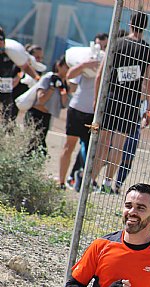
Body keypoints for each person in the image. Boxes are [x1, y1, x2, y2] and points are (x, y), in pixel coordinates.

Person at [91, 12, 150, 193]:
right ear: (145, 26)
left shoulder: (116, 43)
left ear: (130, 23)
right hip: (131, 102)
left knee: (103, 143)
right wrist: (149, 109)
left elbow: (100, 74)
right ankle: (107, 183)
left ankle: (91, 180)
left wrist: (96, 99)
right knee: (119, 145)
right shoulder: (149, 51)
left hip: (111, 97)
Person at [59, 33, 108, 189]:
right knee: (69, 145)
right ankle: (61, 181)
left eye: (105, 46)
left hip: (95, 114)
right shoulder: (85, 60)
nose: (101, 49)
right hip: (77, 109)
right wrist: (84, 66)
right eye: (100, 45)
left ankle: (80, 179)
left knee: (89, 148)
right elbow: (70, 77)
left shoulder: (110, 64)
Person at [25, 55, 69, 157]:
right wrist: (52, 88)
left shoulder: (64, 84)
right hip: (35, 115)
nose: (68, 70)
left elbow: (63, 104)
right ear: (59, 65)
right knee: (32, 144)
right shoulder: (48, 78)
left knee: (38, 145)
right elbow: (41, 99)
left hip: (47, 116)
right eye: (66, 67)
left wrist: (63, 90)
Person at [0, 27, 39, 121]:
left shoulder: (11, 53)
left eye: (1, 40)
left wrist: (37, 78)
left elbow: (25, 66)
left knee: (7, 115)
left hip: (6, 89)